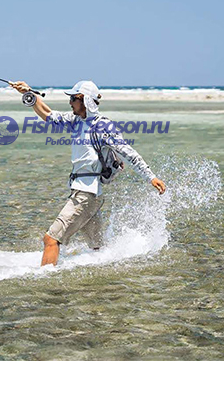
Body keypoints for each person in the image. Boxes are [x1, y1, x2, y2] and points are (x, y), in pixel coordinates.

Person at [10, 79, 166, 266]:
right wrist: (29, 93)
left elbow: (129, 153)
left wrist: (151, 177)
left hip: (87, 195)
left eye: (73, 99)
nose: (70, 102)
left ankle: (44, 281)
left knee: (51, 239)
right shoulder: (75, 121)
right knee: (97, 250)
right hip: (86, 193)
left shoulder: (103, 126)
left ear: (85, 101)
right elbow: (49, 115)